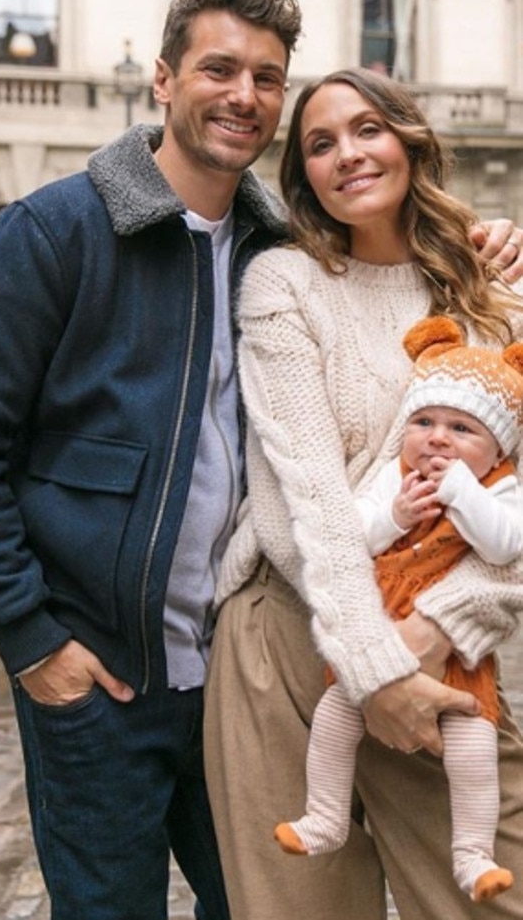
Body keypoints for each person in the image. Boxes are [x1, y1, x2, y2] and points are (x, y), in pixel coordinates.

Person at [0, 0, 523, 919]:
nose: (244, 95)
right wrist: (32, 639)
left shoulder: (273, 244)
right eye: (219, 69)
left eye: (267, 78)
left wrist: (472, 250)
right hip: (108, 668)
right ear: (163, 79)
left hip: (263, 652)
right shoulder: (57, 231)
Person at [203, 66, 523, 920]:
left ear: (409, 139)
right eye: (319, 142)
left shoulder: (496, 295)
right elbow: (298, 499)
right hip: (289, 634)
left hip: (445, 642)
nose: (347, 153)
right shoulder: (283, 284)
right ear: (302, 174)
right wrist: (378, 666)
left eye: (368, 129)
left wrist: (440, 627)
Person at [273, 314, 523, 903]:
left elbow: (504, 545)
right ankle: (326, 816)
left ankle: (470, 854)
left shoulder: (498, 488)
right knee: (335, 719)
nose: (437, 439)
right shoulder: (396, 476)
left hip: (458, 653)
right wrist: (395, 516)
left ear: (497, 450)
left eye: (462, 429)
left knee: (473, 749)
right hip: (377, 631)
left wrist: (461, 490)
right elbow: (351, 534)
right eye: (424, 422)